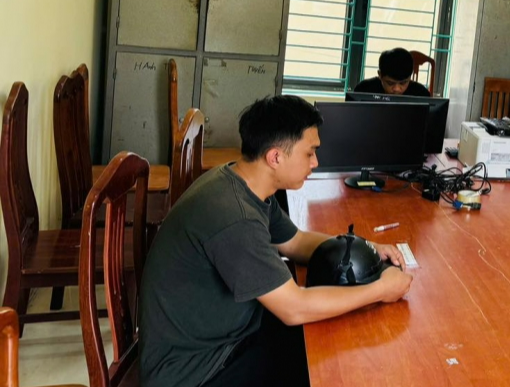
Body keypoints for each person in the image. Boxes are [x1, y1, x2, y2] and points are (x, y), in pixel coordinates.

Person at [139, 95, 413, 387]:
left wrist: (364, 248)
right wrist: (380, 290)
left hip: (230, 332)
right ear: (275, 157)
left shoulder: (243, 183)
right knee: (335, 363)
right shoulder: (235, 217)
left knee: (336, 336)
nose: (315, 162)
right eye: (309, 153)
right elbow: (294, 308)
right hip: (196, 370)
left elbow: (295, 242)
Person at [354, 47, 431, 96]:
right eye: (390, 83)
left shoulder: (421, 94)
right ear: (380, 75)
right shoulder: (364, 90)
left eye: (403, 83)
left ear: (410, 77)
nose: (397, 89)